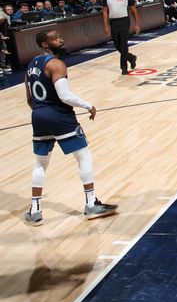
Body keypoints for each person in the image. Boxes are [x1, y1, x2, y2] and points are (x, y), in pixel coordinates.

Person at [23, 29, 118, 225]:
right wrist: (88, 105)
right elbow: (64, 96)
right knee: (83, 156)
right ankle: (91, 204)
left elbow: (29, 98)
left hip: (38, 116)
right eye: (55, 38)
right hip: (59, 116)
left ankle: (35, 210)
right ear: (45, 45)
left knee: (40, 163)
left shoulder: (31, 65)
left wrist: (42, 112)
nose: (61, 39)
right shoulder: (56, 64)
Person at [102, 0, 140, 75]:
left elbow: (134, 10)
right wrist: (106, 26)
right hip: (113, 22)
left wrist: (137, 24)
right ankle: (131, 57)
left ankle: (124, 68)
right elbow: (105, 12)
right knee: (117, 45)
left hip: (124, 21)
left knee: (123, 44)